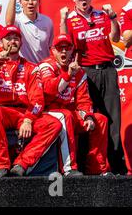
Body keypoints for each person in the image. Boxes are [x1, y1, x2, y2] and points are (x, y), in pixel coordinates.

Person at [60, 0, 125, 174]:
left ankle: (115, 166)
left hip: (107, 70)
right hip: (86, 72)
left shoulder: (101, 14)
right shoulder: (70, 19)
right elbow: (65, 44)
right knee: (88, 118)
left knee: (112, 119)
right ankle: (87, 164)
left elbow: (115, 38)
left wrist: (113, 17)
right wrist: (62, 21)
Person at [0, 25, 62, 177]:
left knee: (54, 124)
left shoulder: (31, 67)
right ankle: (1, 166)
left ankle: (22, 163)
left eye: (16, 38)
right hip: (1, 110)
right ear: (1, 43)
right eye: (8, 38)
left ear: (21, 43)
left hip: (23, 112)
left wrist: (28, 119)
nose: (12, 42)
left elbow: (37, 99)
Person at [40, 34, 111, 176]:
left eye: (67, 48)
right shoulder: (47, 66)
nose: (64, 52)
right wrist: (67, 75)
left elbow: (83, 100)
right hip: (47, 113)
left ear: (72, 50)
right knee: (66, 116)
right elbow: (49, 90)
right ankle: (69, 168)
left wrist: (88, 117)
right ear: (53, 50)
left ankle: (96, 168)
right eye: (60, 48)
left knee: (101, 120)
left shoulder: (79, 72)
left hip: (69, 114)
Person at [5, 0, 54, 64]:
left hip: (44, 69)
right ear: (20, 2)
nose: (30, 2)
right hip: (24, 70)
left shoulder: (47, 21)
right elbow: (9, 23)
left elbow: (50, 47)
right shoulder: (17, 21)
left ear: (39, 2)